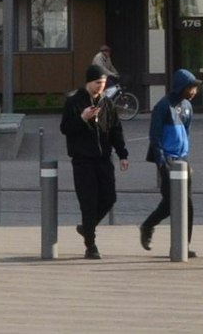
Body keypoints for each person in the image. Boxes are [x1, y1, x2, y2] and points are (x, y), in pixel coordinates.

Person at [60, 62, 129, 259]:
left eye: (104, 82)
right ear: (89, 82)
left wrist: (123, 154)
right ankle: (91, 245)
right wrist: (82, 118)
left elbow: (116, 130)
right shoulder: (74, 102)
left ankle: (86, 227)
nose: (101, 86)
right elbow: (65, 128)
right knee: (88, 203)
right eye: (98, 82)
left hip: (104, 159)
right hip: (83, 160)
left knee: (109, 198)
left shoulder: (106, 103)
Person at [138, 68, 198, 256]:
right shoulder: (162, 106)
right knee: (174, 202)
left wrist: (186, 160)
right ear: (181, 87)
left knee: (184, 204)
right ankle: (148, 226)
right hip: (168, 159)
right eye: (191, 87)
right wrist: (162, 162)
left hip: (181, 161)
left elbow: (186, 134)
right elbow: (154, 137)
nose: (194, 91)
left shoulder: (188, 106)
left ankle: (183, 246)